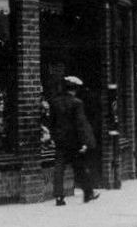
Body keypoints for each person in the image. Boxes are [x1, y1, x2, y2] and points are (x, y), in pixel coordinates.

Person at [49, 75, 98, 206]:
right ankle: (88, 193)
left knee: (59, 168)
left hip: (60, 140)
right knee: (80, 166)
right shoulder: (77, 103)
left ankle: (59, 196)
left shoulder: (55, 102)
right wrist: (84, 142)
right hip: (74, 141)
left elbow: (51, 122)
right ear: (75, 89)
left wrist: (54, 137)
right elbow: (80, 124)